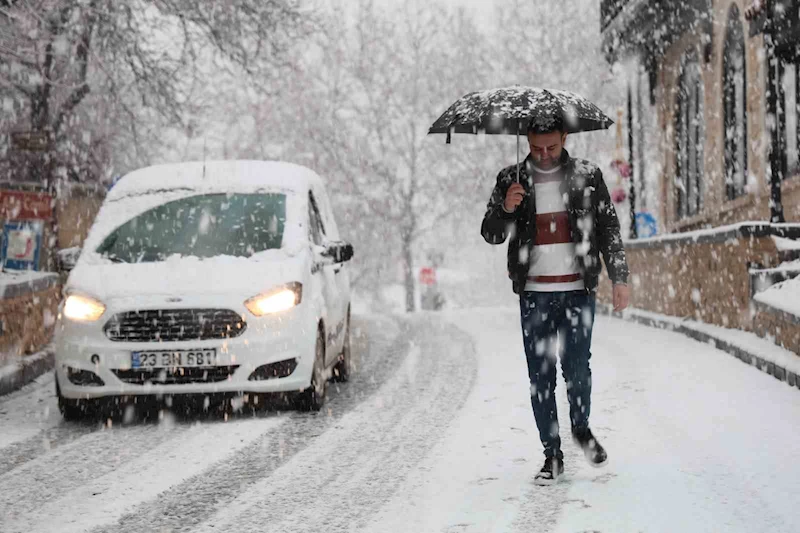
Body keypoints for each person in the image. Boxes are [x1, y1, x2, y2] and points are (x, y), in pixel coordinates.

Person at [481, 114, 630, 486]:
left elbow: (608, 226)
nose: (544, 155)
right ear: (526, 141)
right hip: (534, 294)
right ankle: (552, 454)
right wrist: (507, 209)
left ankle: (581, 427)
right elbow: (491, 233)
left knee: (578, 371)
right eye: (535, 148)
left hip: (578, 291)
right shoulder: (510, 180)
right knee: (540, 377)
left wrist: (619, 277)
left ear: (565, 137)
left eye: (551, 146)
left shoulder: (587, 175)